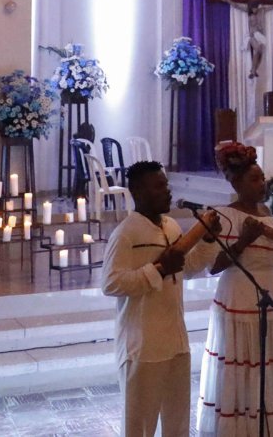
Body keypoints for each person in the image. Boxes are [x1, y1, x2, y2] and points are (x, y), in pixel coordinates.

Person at [102, 161, 220, 437]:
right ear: (139, 192)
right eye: (159, 186)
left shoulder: (171, 226)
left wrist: (208, 241)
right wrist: (157, 270)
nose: (167, 191)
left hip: (176, 341)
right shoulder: (125, 233)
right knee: (140, 426)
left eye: (166, 184)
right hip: (142, 346)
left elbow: (188, 267)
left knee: (177, 424)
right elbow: (111, 283)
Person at [197, 143, 273, 436]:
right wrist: (242, 241)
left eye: (262, 178)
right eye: (254, 179)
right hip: (238, 297)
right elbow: (215, 266)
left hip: (269, 294)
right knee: (241, 366)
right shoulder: (222, 215)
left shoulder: (267, 212)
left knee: (268, 365)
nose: (262, 184)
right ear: (236, 182)